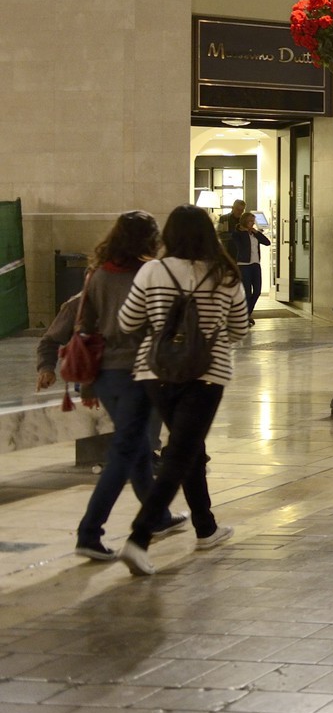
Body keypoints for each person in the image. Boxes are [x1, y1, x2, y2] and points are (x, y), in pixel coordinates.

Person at [35, 212, 189, 560]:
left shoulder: (97, 275)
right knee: (123, 453)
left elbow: (80, 323)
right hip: (138, 374)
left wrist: (53, 367)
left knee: (133, 448)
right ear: (149, 240)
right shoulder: (150, 275)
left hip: (106, 377)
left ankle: (159, 516)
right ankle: (90, 533)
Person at [115, 204, 249, 575]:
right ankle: (138, 537)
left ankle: (205, 527)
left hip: (155, 372)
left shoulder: (152, 270)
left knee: (188, 447)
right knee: (180, 453)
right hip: (206, 375)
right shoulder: (225, 274)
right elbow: (239, 328)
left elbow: (128, 321)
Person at [231, 212, 270, 325]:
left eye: (253, 221)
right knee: (247, 292)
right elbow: (239, 244)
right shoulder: (237, 234)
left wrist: (256, 232)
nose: (252, 223)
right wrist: (244, 231)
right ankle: (244, 316)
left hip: (255, 264)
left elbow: (267, 242)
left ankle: (247, 314)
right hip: (244, 265)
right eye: (250, 221)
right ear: (245, 221)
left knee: (257, 291)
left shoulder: (254, 234)